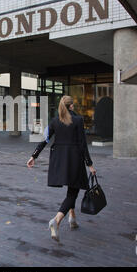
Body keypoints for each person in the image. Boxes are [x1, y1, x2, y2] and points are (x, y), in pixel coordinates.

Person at [27, 96, 96, 242]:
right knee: (73, 191)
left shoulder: (55, 121)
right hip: (74, 160)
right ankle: (56, 220)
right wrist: (89, 164)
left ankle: (72, 218)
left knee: (72, 188)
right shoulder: (78, 120)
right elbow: (82, 144)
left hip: (59, 160)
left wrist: (34, 156)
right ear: (71, 106)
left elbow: (44, 139)